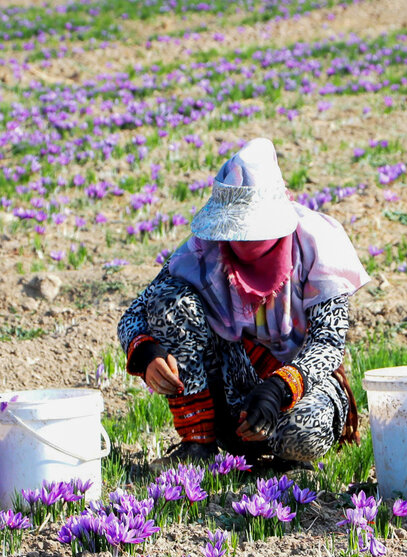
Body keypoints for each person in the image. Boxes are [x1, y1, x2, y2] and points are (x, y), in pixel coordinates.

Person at [117, 138, 368, 465]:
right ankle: (199, 443)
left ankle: (284, 459)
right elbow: (134, 316)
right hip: (230, 387)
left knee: (304, 431)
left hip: (301, 388)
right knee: (170, 299)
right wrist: (147, 351)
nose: (242, 238)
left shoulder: (316, 245)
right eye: (235, 228)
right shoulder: (202, 251)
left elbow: (328, 341)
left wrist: (280, 387)